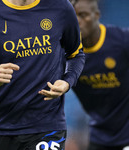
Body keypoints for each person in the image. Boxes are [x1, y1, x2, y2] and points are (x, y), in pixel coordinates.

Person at [0, 0, 85, 149]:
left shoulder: (60, 7)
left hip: (47, 125)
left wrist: (68, 81)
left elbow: (76, 54)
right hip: (2, 128)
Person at [71, 0, 129, 150]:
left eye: (82, 15)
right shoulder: (64, 55)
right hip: (100, 137)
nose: (77, 21)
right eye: (71, 16)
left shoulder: (122, 41)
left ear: (96, 15)